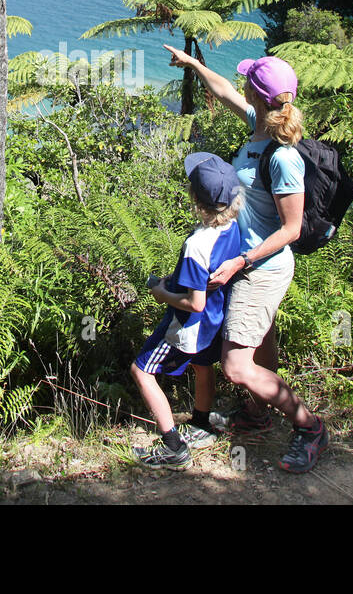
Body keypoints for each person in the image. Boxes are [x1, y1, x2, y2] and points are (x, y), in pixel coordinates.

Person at [163, 45, 329, 474]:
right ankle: (258, 415)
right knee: (263, 345)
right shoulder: (259, 125)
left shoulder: (284, 155)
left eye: (247, 83)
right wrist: (196, 65)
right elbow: (222, 91)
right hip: (245, 265)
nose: (239, 88)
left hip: (262, 268)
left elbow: (291, 229)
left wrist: (241, 262)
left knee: (236, 365)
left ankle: (310, 427)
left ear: (256, 94)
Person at [130, 152, 244, 470]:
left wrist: (161, 293)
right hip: (214, 320)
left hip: (188, 325)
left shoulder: (197, 244)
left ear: (196, 199)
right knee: (203, 365)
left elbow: (195, 303)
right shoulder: (233, 226)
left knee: (142, 371)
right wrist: (175, 281)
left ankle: (173, 446)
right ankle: (202, 423)